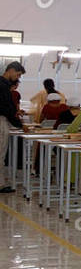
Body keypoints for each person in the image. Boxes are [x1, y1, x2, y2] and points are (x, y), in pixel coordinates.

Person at [0, 62, 26, 193]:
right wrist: (20, 125)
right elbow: (6, 108)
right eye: (18, 74)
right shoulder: (3, 85)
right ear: (10, 70)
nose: (17, 78)